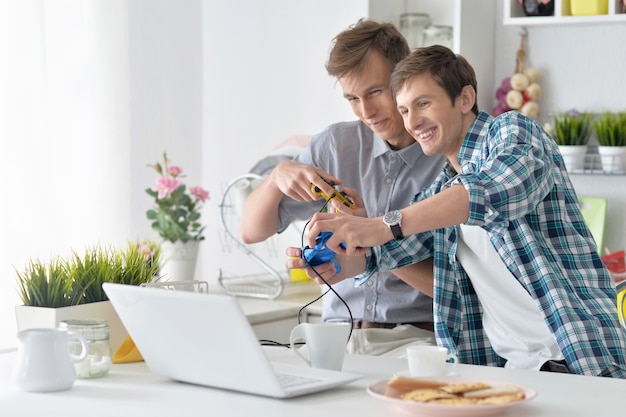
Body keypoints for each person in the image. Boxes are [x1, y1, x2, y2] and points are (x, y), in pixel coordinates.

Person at [291, 45, 626, 377]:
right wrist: (332, 258)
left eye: (423, 104)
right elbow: (386, 252)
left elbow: (491, 192)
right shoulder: (441, 189)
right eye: (405, 110)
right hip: (511, 370)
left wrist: (380, 225)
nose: (413, 122)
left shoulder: (514, 132)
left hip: (576, 357)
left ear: (465, 99)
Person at [240, 20, 446, 356]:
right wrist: (278, 176)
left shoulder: (446, 159)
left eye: (375, 92)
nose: (366, 111)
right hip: (336, 337)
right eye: (352, 97)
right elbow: (251, 231)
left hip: (418, 341)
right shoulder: (335, 145)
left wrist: (372, 239)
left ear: (404, 79)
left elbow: (462, 291)